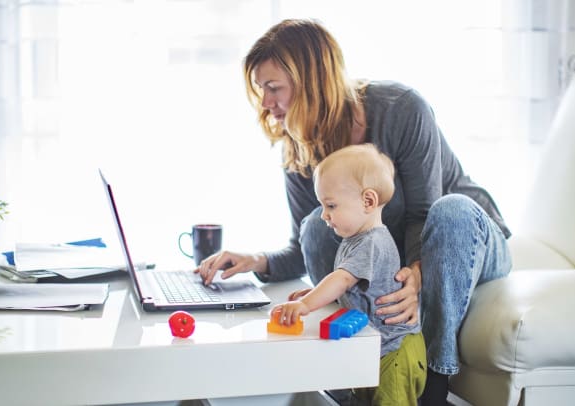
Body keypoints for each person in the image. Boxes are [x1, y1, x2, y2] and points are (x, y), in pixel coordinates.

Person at [196, 18, 512, 405]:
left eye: (273, 88)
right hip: (395, 251)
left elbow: (424, 214)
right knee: (316, 224)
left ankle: (435, 383)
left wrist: (416, 275)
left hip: (466, 239)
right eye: (262, 90)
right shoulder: (298, 149)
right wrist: (255, 260)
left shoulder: (401, 109)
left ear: (311, 80)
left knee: (451, 211)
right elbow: (304, 246)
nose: (265, 103)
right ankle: (353, 368)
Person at [271, 143, 426, 405]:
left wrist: (305, 305)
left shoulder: (373, 242)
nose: (324, 215)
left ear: (368, 201)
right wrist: (313, 292)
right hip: (375, 350)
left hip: (394, 354)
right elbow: (350, 286)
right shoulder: (355, 238)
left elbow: (342, 279)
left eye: (331, 205)